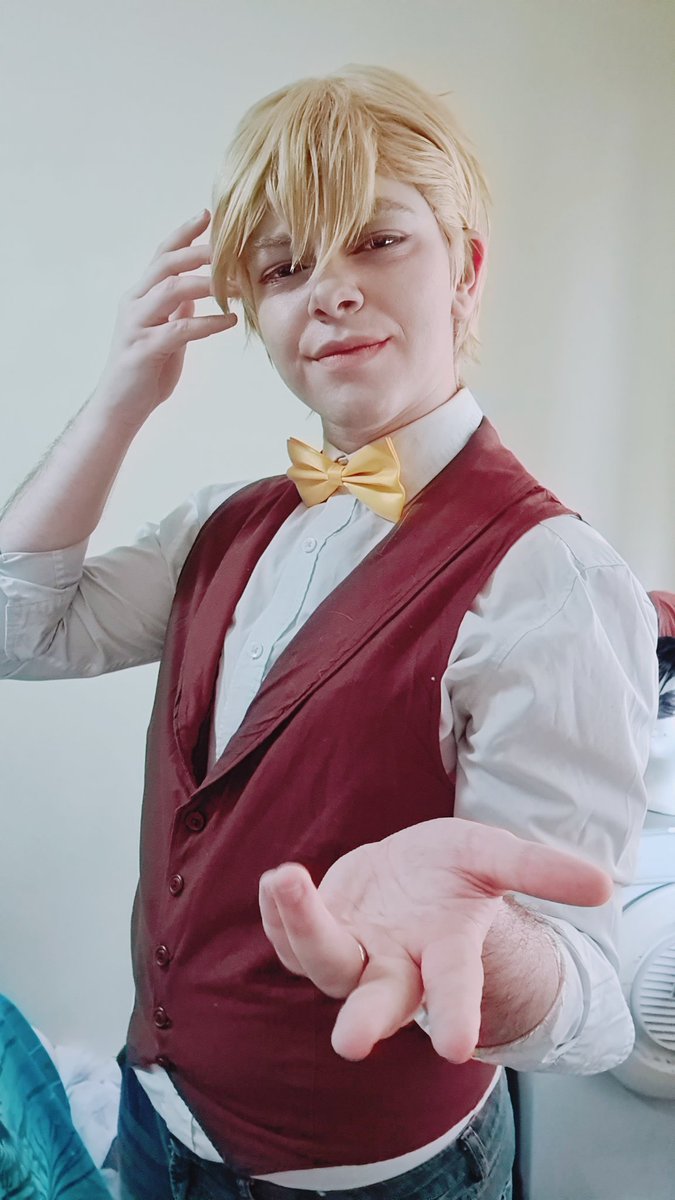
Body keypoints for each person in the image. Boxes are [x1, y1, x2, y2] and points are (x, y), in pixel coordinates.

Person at [0, 65, 659, 1200]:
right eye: (285, 267)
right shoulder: (221, 522)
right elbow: (22, 629)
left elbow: (596, 1007)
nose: (332, 291)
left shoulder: (553, 577)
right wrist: (122, 394)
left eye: (378, 241)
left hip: (370, 1176)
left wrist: (484, 943)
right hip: (162, 1118)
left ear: (466, 268)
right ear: (253, 314)